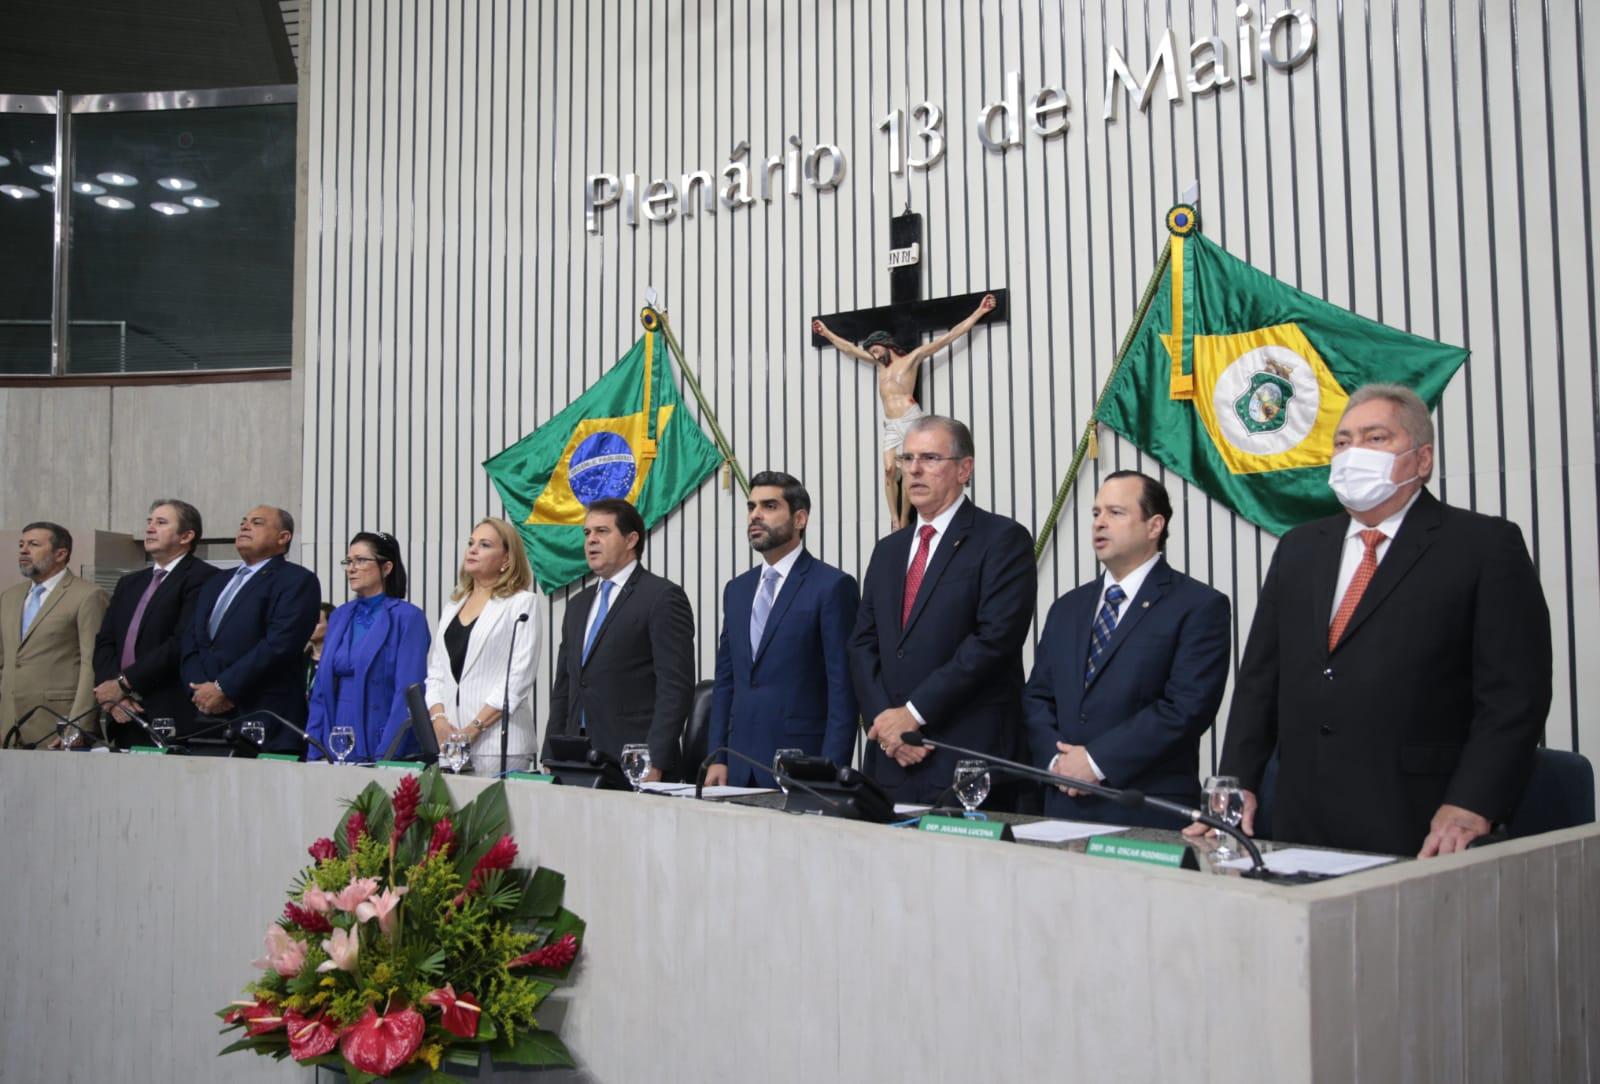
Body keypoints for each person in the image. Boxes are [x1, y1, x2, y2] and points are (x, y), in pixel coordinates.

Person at [1206, 383, 1553, 857]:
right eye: (1343, 442)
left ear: (1422, 459)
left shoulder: (1484, 546)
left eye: (1375, 439)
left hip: (1419, 819)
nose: (1353, 454)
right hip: (1297, 817)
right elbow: (1260, 682)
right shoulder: (1299, 548)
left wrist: (1472, 802)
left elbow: (1515, 697)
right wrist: (1237, 783)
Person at [1023, 471, 1230, 826]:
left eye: (1115, 513)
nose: (1100, 523)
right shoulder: (1067, 607)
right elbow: (1037, 698)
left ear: (1154, 526)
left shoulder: (1198, 605)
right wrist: (1058, 763)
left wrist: (1096, 761)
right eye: (1095, 513)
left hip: (1145, 809)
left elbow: (1185, 708)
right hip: (1062, 807)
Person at [850, 415, 1036, 805]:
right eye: (907, 458)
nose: (914, 469)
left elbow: (993, 641)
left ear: (964, 469)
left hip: (965, 761)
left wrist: (913, 715)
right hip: (890, 761)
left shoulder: (1002, 540)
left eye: (930, 458)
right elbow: (862, 644)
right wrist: (886, 724)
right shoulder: (888, 551)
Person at [705, 472, 859, 788]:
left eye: (769, 506)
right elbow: (726, 681)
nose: (755, 515)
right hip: (736, 765)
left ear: (799, 518)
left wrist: (829, 770)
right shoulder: (737, 590)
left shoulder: (832, 587)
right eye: (751, 507)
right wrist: (717, 757)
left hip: (801, 765)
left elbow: (843, 690)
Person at [542, 498, 696, 781]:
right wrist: (552, 752)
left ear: (631, 539)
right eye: (587, 533)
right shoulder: (578, 604)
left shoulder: (661, 597)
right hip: (577, 757)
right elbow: (564, 687)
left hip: (635, 761)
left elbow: (675, 687)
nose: (591, 541)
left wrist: (656, 760)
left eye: (602, 531)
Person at [813, 293, 997, 528]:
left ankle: (903, 518)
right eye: (871, 352)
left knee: (909, 468)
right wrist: (826, 333)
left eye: (876, 349)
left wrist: (979, 312)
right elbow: (849, 348)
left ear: (887, 345)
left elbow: (949, 337)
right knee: (890, 469)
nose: (874, 354)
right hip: (891, 423)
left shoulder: (911, 359)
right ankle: (894, 519)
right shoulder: (879, 366)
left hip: (910, 419)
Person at [180, 506, 322, 753]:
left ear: (283, 537)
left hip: (264, 716)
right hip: (208, 716)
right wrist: (201, 690)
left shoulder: (296, 580)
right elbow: (192, 640)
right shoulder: (216, 582)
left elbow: (280, 644)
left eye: (256, 522)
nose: (244, 526)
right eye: (243, 522)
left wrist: (223, 688)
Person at [91, 499, 220, 747]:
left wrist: (124, 683)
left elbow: (180, 642)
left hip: (170, 708)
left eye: (161, 523)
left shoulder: (204, 578)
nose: (150, 528)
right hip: (122, 711)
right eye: (149, 522)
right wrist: (112, 692)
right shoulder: (129, 583)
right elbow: (105, 641)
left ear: (186, 536)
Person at [424, 518, 542, 773]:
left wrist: (473, 729)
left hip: (499, 743)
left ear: (506, 560)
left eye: (485, 544)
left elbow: (518, 679)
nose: (473, 549)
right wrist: (439, 722)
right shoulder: (452, 606)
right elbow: (436, 674)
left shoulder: (521, 604)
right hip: (450, 742)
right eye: (471, 543)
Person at [305, 533, 430, 762]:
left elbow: (408, 693)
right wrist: (315, 750)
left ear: (386, 567)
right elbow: (321, 691)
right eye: (348, 561)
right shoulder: (340, 615)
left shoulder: (408, 617)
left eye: (361, 560)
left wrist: (387, 755)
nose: (351, 568)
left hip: (380, 735)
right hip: (336, 733)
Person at [0, 522, 109, 748]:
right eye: (21, 544)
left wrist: (78, 725)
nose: (23, 550)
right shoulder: (9, 597)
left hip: (58, 724)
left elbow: (92, 664)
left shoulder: (88, 595)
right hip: (8, 726)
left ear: (60, 554)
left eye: (34, 544)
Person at [305, 602, 334, 696]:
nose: (309, 625)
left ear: (331, 626)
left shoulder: (337, 662)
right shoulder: (300, 660)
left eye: (316, 622)